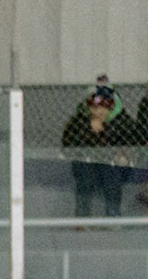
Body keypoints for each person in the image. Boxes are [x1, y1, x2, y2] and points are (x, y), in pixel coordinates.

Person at [60, 82, 143, 218]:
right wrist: (90, 130)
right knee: (85, 178)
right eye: (94, 107)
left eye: (103, 107)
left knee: (112, 177)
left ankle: (113, 215)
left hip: (113, 163)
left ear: (111, 107)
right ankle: (82, 216)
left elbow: (132, 141)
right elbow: (68, 142)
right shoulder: (80, 119)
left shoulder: (122, 120)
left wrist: (106, 131)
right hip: (88, 161)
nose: (98, 111)